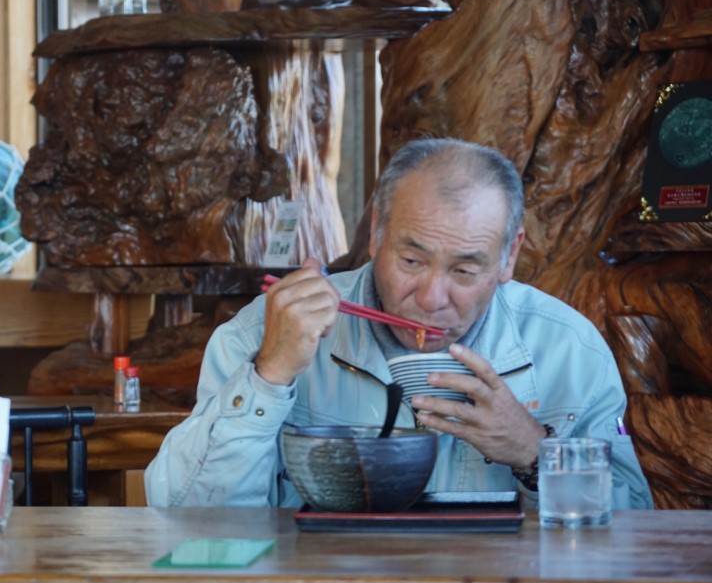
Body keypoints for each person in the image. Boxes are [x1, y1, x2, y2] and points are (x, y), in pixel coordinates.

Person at [145, 137, 653, 510]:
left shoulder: (566, 348)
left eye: (464, 270)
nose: (432, 298)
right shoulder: (267, 331)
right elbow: (187, 518)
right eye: (411, 261)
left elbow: (634, 529)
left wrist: (534, 452)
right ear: (376, 234)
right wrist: (269, 376)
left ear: (508, 256)